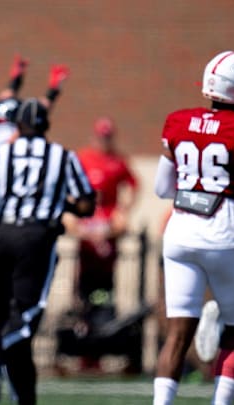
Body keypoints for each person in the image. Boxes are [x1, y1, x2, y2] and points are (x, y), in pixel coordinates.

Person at [152, 50, 234, 405]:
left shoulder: (178, 121)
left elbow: (162, 188)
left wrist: (195, 192)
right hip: (226, 232)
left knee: (177, 334)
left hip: (179, 233)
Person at [0, 97, 97, 405]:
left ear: (18, 126)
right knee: (25, 319)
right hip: (36, 239)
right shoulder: (61, 155)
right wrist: (63, 205)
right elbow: (87, 203)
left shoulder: (2, 152)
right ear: (46, 126)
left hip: (1, 236)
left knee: (3, 321)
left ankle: (17, 389)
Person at [60, 115, 139, 373]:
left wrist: (123, 211)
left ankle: (100, 348)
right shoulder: (83, 157)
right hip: (86, 243)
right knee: (81, 297)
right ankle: (83, 351)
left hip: (106, 245)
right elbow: (69, 190)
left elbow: (134, 185)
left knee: (104, 298)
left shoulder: (118, 161)